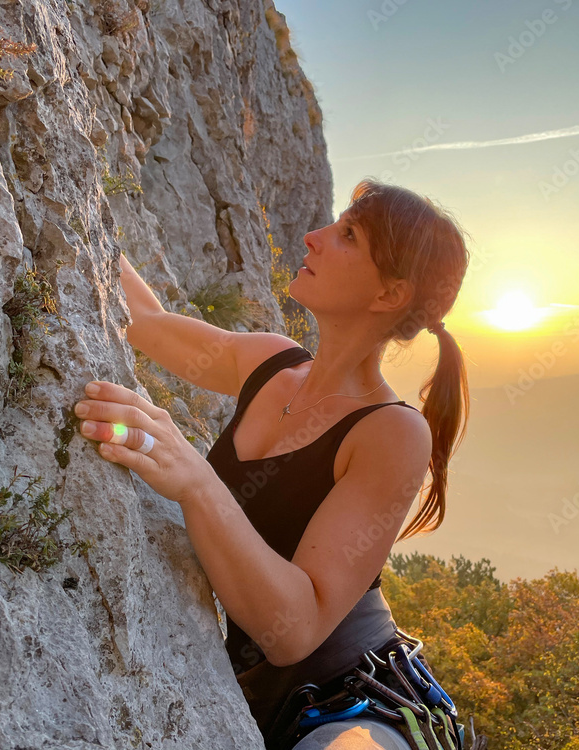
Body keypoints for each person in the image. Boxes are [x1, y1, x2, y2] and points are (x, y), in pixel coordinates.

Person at [73, 179, 471, 749]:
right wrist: (65, 187)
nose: (312, 238)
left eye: (348, 235)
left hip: (356, 706)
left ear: (388, 295)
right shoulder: (268, 361)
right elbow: (144, 322)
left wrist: (197, 483)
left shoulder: (393, 432)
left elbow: (299, 628)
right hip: (252, 697)